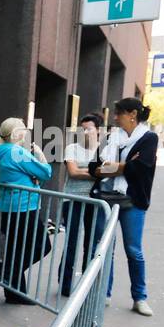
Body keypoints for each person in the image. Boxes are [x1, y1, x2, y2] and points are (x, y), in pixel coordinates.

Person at [90, 97, 157, 316]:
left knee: (134, 250)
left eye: (119, 113)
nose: (115, 118)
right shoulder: (111, 137)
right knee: (103, 249)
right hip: (106, 200)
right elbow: (93, 168)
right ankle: (104, 294)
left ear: (132, 114)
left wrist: (111, 167)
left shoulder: (149, 138)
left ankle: (140, 297)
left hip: (132, 202)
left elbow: (140, 169)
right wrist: (123, 166)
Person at [0, 116, 52, 304]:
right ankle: (3, 272)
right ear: (17, 133)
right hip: (23, 208)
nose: (26, 131)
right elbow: (46, 172)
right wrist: (40, 154)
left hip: (9, 207)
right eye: (23, 128)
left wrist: (31, 176)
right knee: (42, 246)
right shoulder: (16, 152)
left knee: (15, 249)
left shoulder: (2, 151)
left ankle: (14, 293)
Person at [60, 113, 108, 296]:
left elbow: (110, 172)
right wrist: (97, 172)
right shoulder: (72, 148)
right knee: (71, 242)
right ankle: (65, 284)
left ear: (98, 130)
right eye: (82, 129)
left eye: (89, 128)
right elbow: (72, 172)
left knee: (92, 243)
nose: (84, 132)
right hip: (72, 199)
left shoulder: (105, 150)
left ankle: (87, 286)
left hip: (95, 201)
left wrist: (87, 171)